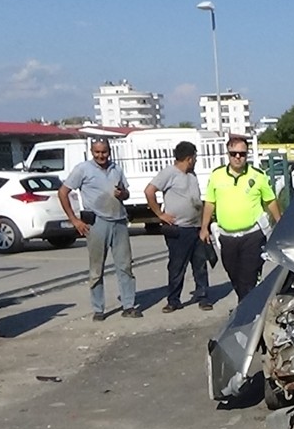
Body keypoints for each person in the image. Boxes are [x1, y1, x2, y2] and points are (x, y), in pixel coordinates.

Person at [57, 139, 140, 321]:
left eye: (104, 152)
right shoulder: (83, 169)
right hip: (96, 222)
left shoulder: (116, 169)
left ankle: (129, 305)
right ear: (91, 152)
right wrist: (74, 220)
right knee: (96, 268)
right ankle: (98, 308)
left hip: (118, 221)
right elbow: (63, 192)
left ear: (109, 151)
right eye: (97, 152)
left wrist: (122, 194)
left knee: (125, 266)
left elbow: (126, 193)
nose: (101, 156)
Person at [199, 137, 280, 301]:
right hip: (227, 237)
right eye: (233, 153)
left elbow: (270, 201)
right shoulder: (217, 175)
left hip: (252, 236)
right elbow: (210, 203)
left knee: (248, 276)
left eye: (242, 154)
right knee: (234, 274)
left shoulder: (258, 176)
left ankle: (248, 311)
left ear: (247, 155)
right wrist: (204, 227)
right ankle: (247, 303)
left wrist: (280, 222)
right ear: (227, 154)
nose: (237, 157)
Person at [145, 141, 211, 313]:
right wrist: (160, 214)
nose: (195, 160)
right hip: (180, 229)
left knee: (200, 264)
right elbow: (149, 191)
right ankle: (174, 300)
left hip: (196, 227)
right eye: (195, 157)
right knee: (177, 266)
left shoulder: (191, 174)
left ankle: (203, 296)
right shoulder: (169, 173)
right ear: (189, 158)